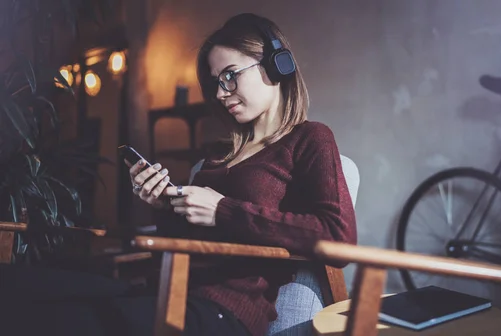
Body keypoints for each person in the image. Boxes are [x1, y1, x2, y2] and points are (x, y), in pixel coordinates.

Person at [0, 12, 356, 336]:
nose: (220, 93)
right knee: (12, 285)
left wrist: (223, 210)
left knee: (49, 321)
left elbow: (338, 239)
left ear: (277, 66)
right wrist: (163, 204)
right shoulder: (218, 156)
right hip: (164, 290)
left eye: (230, 76)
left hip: (219, 313)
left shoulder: (310, 138)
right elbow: (182, 243)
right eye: (216, 82)